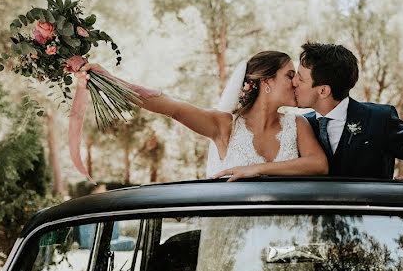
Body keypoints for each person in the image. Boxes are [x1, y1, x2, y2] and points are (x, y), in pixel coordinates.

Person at [80, 51, 328, 180]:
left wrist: (256, 169)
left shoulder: (297, 125)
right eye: (289, 74)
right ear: (266, 82)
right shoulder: (224, 126)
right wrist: (109, 80)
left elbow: (319, 165)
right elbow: (171, 107)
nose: (296, 81)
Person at [293, 43, 403, 185]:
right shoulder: (300, 126)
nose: (294, 83)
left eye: (300, 79)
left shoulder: (380, 119)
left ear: (323, 91)